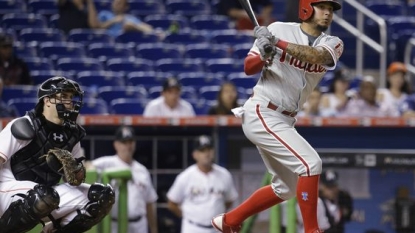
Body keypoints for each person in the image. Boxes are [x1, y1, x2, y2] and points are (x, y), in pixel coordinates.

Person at [211, 0, 344, 233]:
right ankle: (312, 230)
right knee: (311, 164)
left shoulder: (333, 42)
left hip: (285, 119)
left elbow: (317, 57)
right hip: (263, 110)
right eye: (322, 7)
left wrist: (277, 45)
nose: (327, 13)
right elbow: (248, 67)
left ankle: (229, 220)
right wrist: (263, 53)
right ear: (307, 8)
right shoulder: (277, 29)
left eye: (331, 10)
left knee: (287, 188)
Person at [0, 76, 115, 233]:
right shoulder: (25, 125)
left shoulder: (72, 134)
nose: (69, 102)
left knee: (102, 197)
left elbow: (73, 181)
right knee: (44, 196)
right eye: (63, 96)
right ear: (47, 100)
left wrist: (76, 169)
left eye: (70, 97)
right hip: (8, 192)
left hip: (47, 197)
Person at [88, 125, 158, 233]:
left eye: (130, 142)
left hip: (139, 225)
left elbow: (149, 202)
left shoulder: (142, 170)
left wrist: (154, 229)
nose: (128, 146)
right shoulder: (106, 163)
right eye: (124, 142)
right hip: (115, 224)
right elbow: (87, 167)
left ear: (134, 144)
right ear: (116, 145)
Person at [167, 135, 238, 233]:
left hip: (216, 229)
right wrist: (187, 215)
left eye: (209, 150)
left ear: (213, 152)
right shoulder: (185, 176)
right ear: (195, 154)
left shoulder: (224, 174)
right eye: (202, 151)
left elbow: (229, 200)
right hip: (193, 228)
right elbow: (172, 203)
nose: (206, 154)